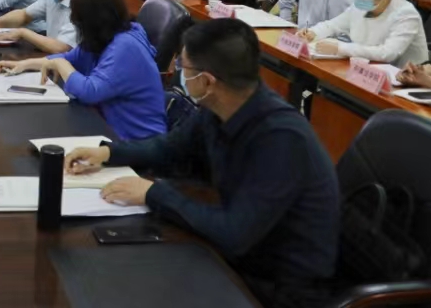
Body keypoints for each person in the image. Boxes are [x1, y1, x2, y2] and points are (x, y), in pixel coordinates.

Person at [63, 19, 339, 308]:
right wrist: (108, 154)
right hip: (238, 255)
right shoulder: (221, 105)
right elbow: (169, 148)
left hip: (277, 287)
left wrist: (153, 193)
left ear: (207, 81)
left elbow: (235, 234)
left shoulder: (281, 139)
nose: (180, 73)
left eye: (183, 67)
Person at [0, 0, 167, 140]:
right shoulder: (104, 36)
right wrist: (25, 65)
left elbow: (90, 91)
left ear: (93, 21)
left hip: (134, 140)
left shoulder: (126, 46)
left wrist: (60, 64)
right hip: (102, 124)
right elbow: (70, 58)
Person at [300, 0, 429, 67]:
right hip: (363, 67)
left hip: (401, 77)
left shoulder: (406, 14)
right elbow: (333, 25)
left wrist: (340, 48)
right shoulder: (361, 5)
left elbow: (388, 53)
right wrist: (312, 33)